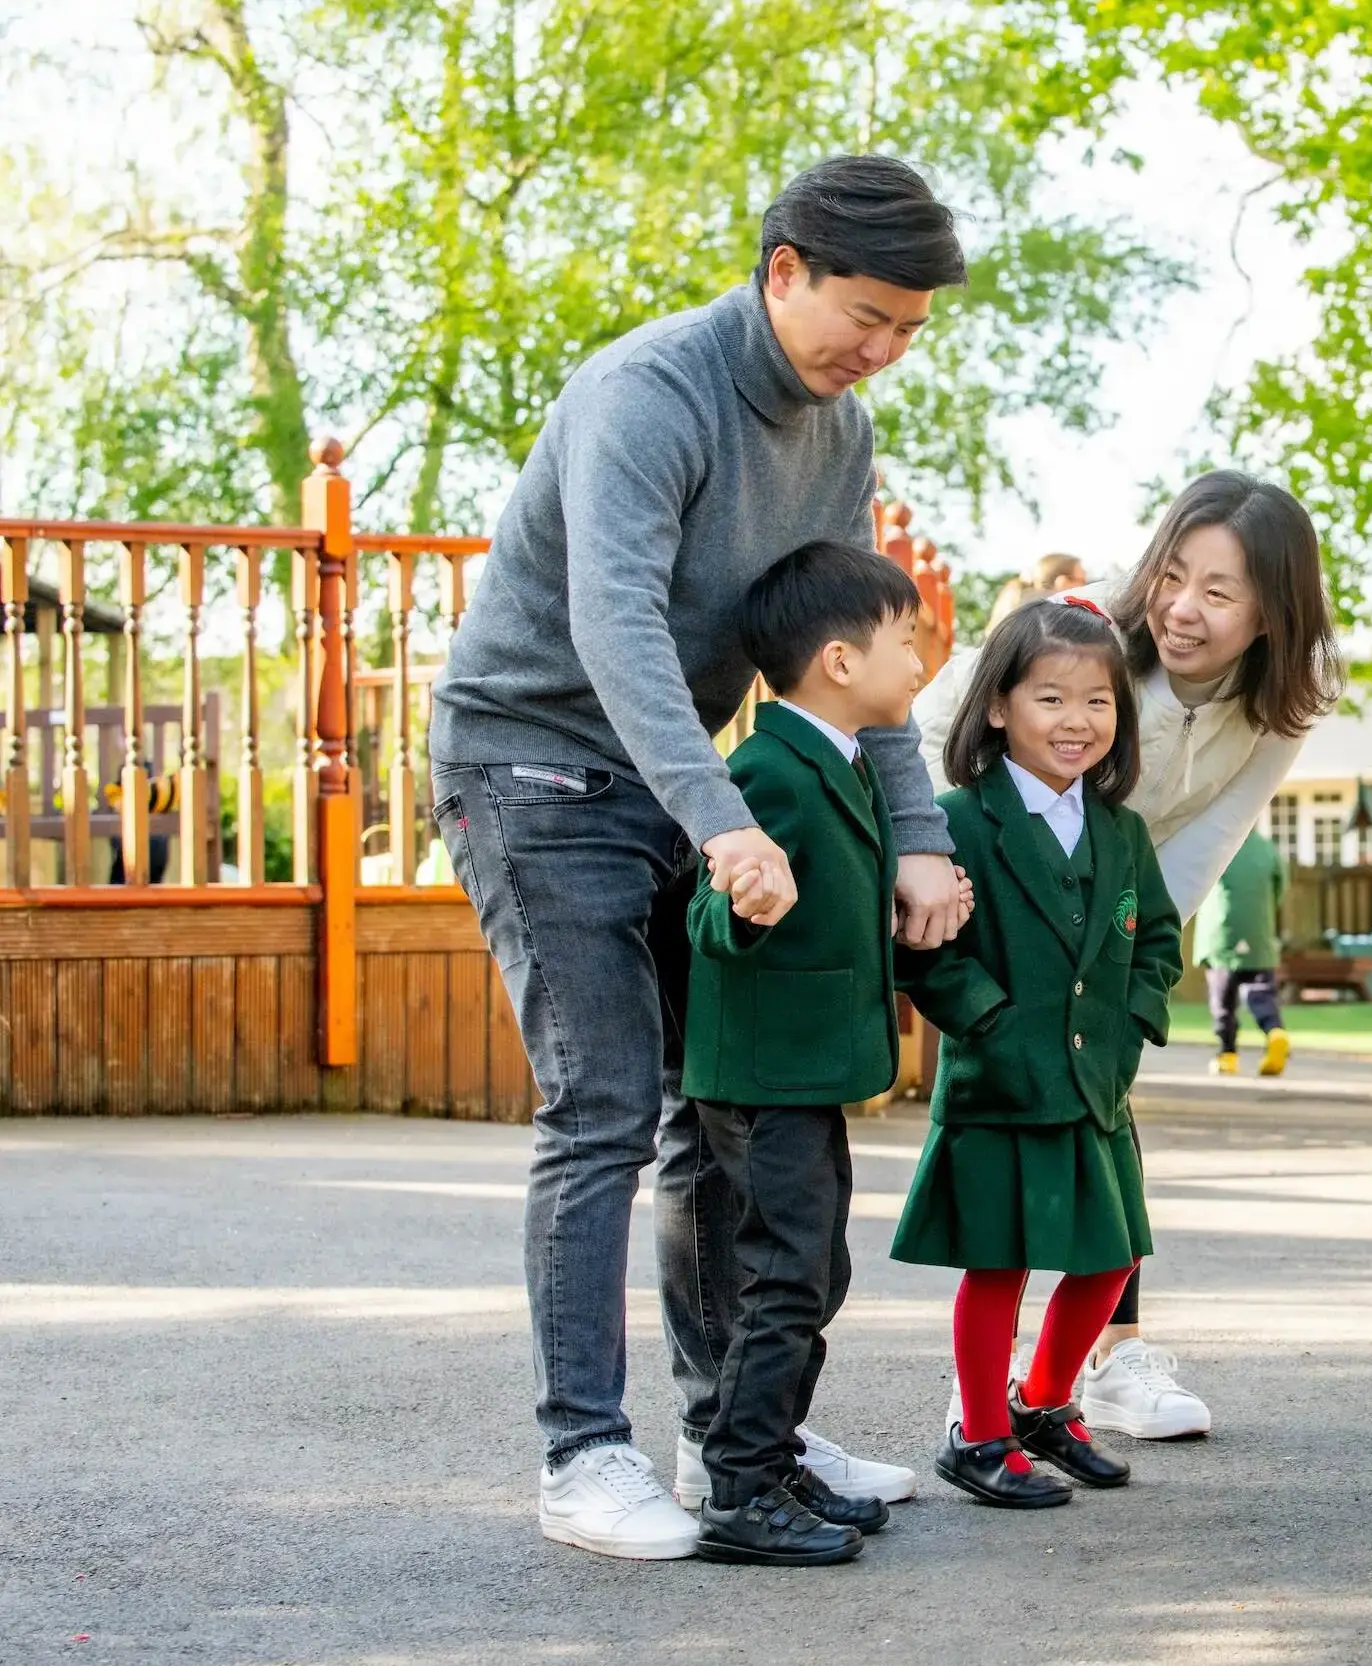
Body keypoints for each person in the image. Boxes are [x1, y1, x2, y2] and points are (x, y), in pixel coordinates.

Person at [428, 154, 973, 1559]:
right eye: (868, 316)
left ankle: (734, 1430)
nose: (885, 352)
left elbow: (857, 651)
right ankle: (580, 1454)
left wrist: (915, 832)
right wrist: (721, 818)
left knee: (712, 1105)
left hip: (684, 786)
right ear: (782, 268)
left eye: (912, 331)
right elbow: (612, 627)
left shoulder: (837, 436)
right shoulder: (648, 393)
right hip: (534, 765)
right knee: (604, 1101)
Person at [913, 471, 1339, 1440]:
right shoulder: (1084, 623)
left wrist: (1129, 983)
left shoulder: (1285, 701)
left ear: (1275, 611)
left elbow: (1209, 839)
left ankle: (1103, 1358)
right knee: (1014, 1146)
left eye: (1221, 593)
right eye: (1175, 575)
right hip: (999, 889)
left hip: (1109, 905)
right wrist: (923, 856)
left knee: (1102, 1126)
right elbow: (942, 721)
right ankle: (986, 1390)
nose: (1183, 609)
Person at [894, 598, 1185, 1507]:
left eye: (1097, 703)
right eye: (1050, 699)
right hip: (998, 1085)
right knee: (1001, 1262)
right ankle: (978, 1436)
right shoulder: (954, 822)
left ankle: (1046, 1405)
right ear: (996, 707)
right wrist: (983, 1020)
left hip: (1094, 1085)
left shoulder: (1123, 833)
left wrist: (1134, 1018)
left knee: (1111, 1256)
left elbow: (1159, 940)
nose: (1076, 721)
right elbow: (921, 948)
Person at [679, 541, 921, 1566]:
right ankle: (736, 1484)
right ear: (837, 658)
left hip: (804, 1071)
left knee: (814, 1268)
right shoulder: (767, 766)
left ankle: (768, 1454)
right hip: (766, 1073)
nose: (919, 659)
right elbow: (712, 908)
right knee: (786, 1275)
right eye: (905, 640)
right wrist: (746, 902)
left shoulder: (838, 757)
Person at [1195, 828, 1289, 1076]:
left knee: (1223, 1001)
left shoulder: (1217, 844)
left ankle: (1227, 1055)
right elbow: (1281, 887)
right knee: (1261, 994)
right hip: (1259, 935)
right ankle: (1274, 1030)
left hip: (1222, 936)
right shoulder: (1267, 848)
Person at [985, 552, 1091, 632]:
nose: (1087, 587)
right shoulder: (1055, 622)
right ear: (1063, 583)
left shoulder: (1028, 612)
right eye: (1083, 581)